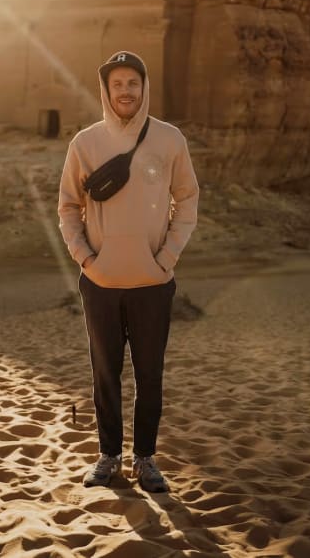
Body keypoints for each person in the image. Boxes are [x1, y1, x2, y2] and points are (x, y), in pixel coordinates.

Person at [58, 51, 199, 492]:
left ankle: (146, 459)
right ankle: (108, 457)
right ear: (106, 90)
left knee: (150, 375)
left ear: (144, 88)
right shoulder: (85, 142)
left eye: (132, 83)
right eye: (117, 84)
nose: (125, 91)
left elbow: (188, 200)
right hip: (100, 283)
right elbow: (67, 207)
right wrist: (85, 258)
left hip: (152, 284)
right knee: (105, 374)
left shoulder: (170, 139)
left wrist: (166, 258)